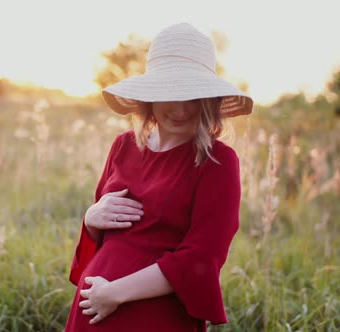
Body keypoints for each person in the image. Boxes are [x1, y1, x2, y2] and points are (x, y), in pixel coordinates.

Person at [64, 22, 253, 331]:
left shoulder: (217, 162)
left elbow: (202, 257)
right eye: (169, 94)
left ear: (210, 101)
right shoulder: (123, 146)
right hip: (93, 310)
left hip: (155, 317)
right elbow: (104, 235)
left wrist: (115, 293)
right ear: (148, 98)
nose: (180, 109)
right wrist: (90, 218)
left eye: (192, 96)